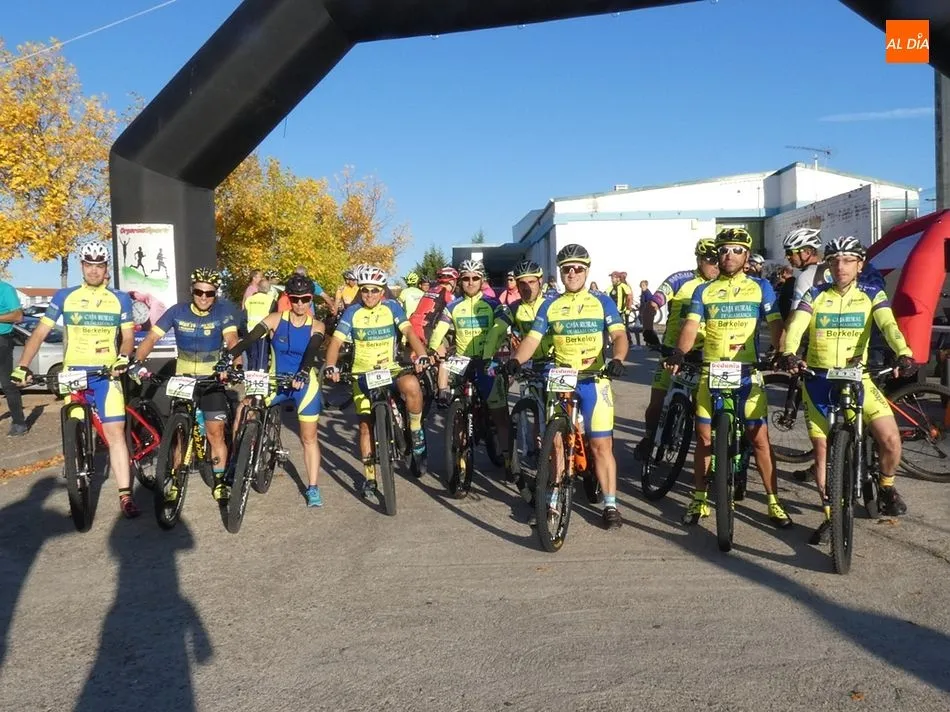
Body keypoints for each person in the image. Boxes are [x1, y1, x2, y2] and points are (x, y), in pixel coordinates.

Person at [780, 236, 914, 544]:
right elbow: (797, 325)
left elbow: (888, 325)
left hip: (859, 378)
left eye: (848, 261)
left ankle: (886, 486)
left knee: (891, 440)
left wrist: (903, 352)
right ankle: (831, 516)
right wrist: (789, 352)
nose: (841, 267)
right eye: (835, 261)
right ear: (828, 265)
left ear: (859, 265)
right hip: (819, 381)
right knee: (823, 453)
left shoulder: (871, 293)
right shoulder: (814, 294)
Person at [665, 228, 791, 529]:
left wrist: (782, 350)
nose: (729, 255)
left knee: (759, 438)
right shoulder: (704, 290)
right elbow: (691, 326)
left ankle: (773, 501)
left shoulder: (761, 286)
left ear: (746, 255)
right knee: (704, 437)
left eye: (736, 250)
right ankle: (698, 498)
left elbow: (775, 323)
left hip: (746, 371)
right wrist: (679, 354)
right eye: (724, 250)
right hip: (712, 370)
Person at [501, 244, 628, 529]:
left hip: (594, 379)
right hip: (561, 378)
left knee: (600, 445)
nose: (571, 273)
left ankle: (610, 504)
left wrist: (618, 358)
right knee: (555, 443)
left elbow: (619, 335)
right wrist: (516, 361)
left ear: (586, 271)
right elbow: (532, 339)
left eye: (577, 269)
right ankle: (553, 499)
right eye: (566, 269)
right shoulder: (551, 305)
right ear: (560, 273)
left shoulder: (601, 301)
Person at [12, 242, 140, 517]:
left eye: (99, 265)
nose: (94, 270)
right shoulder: (64, 296)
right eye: (89, 265)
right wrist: (22, 365)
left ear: (106, 268)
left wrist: (123, 356)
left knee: (115, 432)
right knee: (73, 420)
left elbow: (128, 337)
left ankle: (125, 494)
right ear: (82, 266)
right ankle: (75, 467)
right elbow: (39, 333)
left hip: (106, 372)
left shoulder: (119, 299)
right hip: (74, 371)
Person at [323, 265, 431, 502]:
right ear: (360, 290)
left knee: (412, 385)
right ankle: (370, 477)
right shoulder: (352, 312)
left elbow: (410, 332)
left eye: (374, 290)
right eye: (365, 290)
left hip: (390, 368)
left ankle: (416, 431)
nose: (370, 295)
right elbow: (335, 343)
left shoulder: (392, 307)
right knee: (364, 426)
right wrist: (330, 366)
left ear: (382, 291)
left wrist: (421, 354)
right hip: (362, 373)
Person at [135, 268, 239, 502]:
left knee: (215, 433)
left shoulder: (222, 313)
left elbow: (233, 340)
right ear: (192, 291)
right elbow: (152, 338)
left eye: (209, 293)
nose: (204, 297)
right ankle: (175, 478)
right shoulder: (177, 312)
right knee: (178, 435)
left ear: (215, 294)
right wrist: (137, 361)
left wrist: (235, 365)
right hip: (183, 380)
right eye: (199, 292)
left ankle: (220, 480)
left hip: (211, 380)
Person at [226, 274, 328, 507]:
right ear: (288, 299)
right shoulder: (275, 318)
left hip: (304, 384)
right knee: (245, 408)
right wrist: (228, 357)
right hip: (276, 379)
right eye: (295, 299)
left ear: (311, 299)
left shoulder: (317, 325)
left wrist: (303, 371)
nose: (300, 304)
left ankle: (312, 487)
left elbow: (312, 350)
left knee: (308, 437)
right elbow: (250, 339)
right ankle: (237, 460)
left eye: (305, 299)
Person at [635, 238, 720, 459]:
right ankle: (649, 436)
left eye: (718, 260)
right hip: (674, 352)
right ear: (699, 260)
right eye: (710, 260)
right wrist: (648, 330)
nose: (716, 265)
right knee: (656, 404)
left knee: (711, 411)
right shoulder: (680, 279)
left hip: (706, 355)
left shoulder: (724, 285)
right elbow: (652, 305)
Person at [428, 260, 512, 462]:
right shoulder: (453, 306)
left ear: (482, 280)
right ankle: (460, 451)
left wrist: (493, 346)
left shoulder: (492, 304)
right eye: (466, 278)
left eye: (475, 278)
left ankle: (510, 460)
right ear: (460, 281)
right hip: (463, 360)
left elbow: (503, 322)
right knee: (458, 406)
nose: (471, 282)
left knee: (498, 412)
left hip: (486, 360)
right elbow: (440, 329)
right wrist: (432, 348)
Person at [504, 260, 554, 505]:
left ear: (541, 281)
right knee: (534, 409)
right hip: (530, 364)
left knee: (566, 415)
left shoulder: (553, 303)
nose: (526, 288)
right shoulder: (514, 307)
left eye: (531, 282)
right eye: (521, 283)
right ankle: (534, 453)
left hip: (557, 363)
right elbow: (497, 330)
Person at [0, 278, 27, 436]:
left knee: (7, 383)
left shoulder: (5, 289)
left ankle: (19, 422)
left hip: (2, 340)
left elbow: (18, 316)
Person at [409, 266, 458, 343]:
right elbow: (455, 315)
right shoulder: (448, 295)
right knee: (439, 350)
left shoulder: (430, 291)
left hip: (411, 324)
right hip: (425, 328)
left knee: (414, 353)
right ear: (452, 282)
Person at [609, 271, 634, 346]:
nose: (611, 279)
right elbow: (604, 293)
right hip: (614, 311)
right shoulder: (612, 286)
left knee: (623, 327)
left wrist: (628, 308)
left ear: (618, 278)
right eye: (611, 278)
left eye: (612, 278)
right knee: (614, 327)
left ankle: (628, 342)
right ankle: (617, 341)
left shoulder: (623, 286)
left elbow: (629, 297)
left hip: (621, 311)